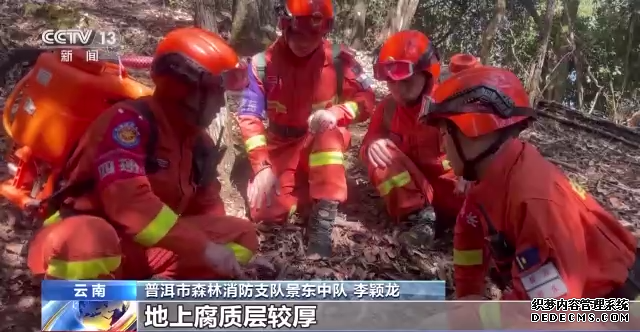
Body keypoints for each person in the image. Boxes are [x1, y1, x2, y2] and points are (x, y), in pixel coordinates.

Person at [27, 27, 267, 280]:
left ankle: (159, 296)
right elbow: (128, 203)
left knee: (239, 235)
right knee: (89, 241)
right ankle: (87, 315)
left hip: (141, 251)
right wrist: (204, 249)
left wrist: (214, 253)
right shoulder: (127, 124)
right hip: (81, 240)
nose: (221, 103)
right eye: (215, 91)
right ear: (183, 90)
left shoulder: (199, 145)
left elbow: (207, 212)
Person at [418, 63, 640, 326]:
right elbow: (468, 236)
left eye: (445, 133)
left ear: (475, 132)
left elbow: (554, 313)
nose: (442, 144)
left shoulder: (534, 201)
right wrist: (467, 298)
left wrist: (476, 318)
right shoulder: (490, 180)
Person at [231, 0, 375, 257]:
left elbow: (367, 100)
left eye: (314, 34)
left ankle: (323, 218)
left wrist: (336, 113)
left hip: (320, 139)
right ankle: (312, 193)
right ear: (284, 25)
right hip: (281, 146)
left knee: (327, 135)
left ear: (324, 31)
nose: (305, 41)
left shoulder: (340, 60)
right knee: (264, 212)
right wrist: (262, 167)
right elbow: (249, 116)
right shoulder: (262, 64)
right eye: (298, 32)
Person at [360, 31, 467, 247]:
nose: (397, 89)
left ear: (427, 74)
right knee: (378, 152)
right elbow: (365, 147)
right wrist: (372, 145)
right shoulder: (388, 108)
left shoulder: (451, 103)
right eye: (391, 82)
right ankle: (418, 221)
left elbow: (484, 148)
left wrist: (471, 172)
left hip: (457, 195)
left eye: (406, 81)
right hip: (417, 194)